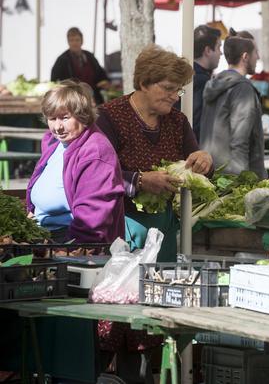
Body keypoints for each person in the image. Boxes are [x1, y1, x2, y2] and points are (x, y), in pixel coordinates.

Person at [96, 45, 213, 261]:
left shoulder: (177, 122)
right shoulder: (109, 117)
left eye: (179, 90)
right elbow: (97, 174)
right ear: (144, 83)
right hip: (122, 225)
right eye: (169, 88)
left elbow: (198, 165)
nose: (175, 97)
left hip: (164, 226)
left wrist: (204, 159)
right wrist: (138, 180)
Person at [26, 81, 124, 243]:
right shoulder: (54, 141)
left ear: (83, 115)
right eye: (52, 118)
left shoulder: (95, 152)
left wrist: (71, 249)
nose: (57, 127)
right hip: (43, 233)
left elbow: (93, 215)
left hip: (69, 238)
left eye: (65, 118)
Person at [200, 34, 267, 179]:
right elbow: (240, 140)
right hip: (231, 177)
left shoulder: (213, 84)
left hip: (211, 170)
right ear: (245, 57)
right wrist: (241, 181)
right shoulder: (243, 89)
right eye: (255, 52)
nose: (258, 57)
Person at [181, 25, 222, 143]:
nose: (221, 53)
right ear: (208, 50)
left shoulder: (183, 76)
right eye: (219, 47)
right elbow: (197, 122)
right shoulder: (201, 82)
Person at [51, 27, 109, 104]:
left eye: (77, 40)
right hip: (72, 101)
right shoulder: (62, 60)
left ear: (82, 41)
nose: (74, 43)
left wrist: (105, 81)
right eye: (71, 40)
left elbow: (101, 74)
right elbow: (54, 81)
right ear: (68, 42)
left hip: (93, 99)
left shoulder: (89, 56)